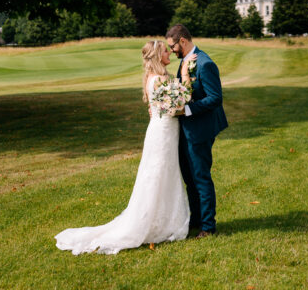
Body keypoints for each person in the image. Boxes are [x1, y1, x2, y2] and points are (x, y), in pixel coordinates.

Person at [55, 40, 193, 255]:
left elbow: (164, 105)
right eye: (166, 51)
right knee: (157, 176)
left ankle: (166, 221)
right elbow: (183, 97)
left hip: (164, 130)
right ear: (157, 56)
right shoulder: (157, 80)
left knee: (166, 175)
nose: (169, 54)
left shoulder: (156, 78)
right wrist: (184, 73)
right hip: (162, 133)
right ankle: (153, 224)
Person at [166, 24, 228, 238]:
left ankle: (208, 227)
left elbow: (215, 98)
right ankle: (195, 219)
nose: (171, 50)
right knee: (189, 177)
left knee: (200, 177)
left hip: (200, 129)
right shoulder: (184, 62)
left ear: (182, 41)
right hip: (186, 129)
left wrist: (188, 109)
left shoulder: (205, 63)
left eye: (172, 46)